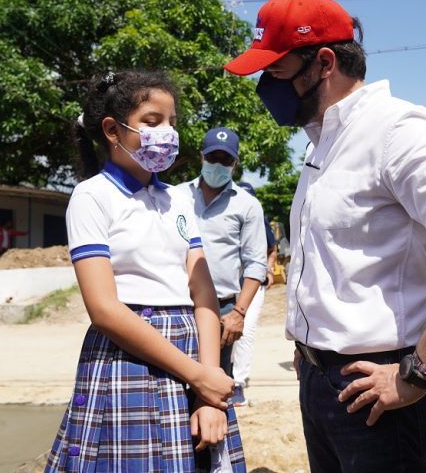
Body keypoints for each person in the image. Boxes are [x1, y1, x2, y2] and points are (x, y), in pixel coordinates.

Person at [224, 0, 426, 472]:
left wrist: (419, 372)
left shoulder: (397, 131)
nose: (265, 85)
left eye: (275, 71)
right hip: (321, 379)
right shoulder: (322, 147)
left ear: (324, 63)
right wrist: (309, 352)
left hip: (379, 387)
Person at [46, 70, 245, 472]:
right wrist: (199, 376)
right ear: (112, 131)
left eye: (172, 122)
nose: (167, 133)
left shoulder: (179, 200)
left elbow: (203, 296)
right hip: (129, 360)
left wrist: (208, 390)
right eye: (152, 122)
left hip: (196, 356)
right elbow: (103, 309)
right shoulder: (91, 197)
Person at [177, 129, 268, 408]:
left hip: (223, 312)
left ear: (235, 163)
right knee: (176, 387)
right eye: (213, 157)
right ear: (201, 157)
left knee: (215, 391)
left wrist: (239, 313)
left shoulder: (247, 205)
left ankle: (217, 450)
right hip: (177, 306)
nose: (218, 164)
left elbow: (256, 263)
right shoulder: (175, 196)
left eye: (225, 160)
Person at [230, 181, 278, 402]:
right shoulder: (224, 217)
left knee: (245, 332)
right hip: (226, 285)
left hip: (253, 285)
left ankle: (238, 381)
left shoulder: (260, 220)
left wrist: (267, 269)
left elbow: (272, 248)